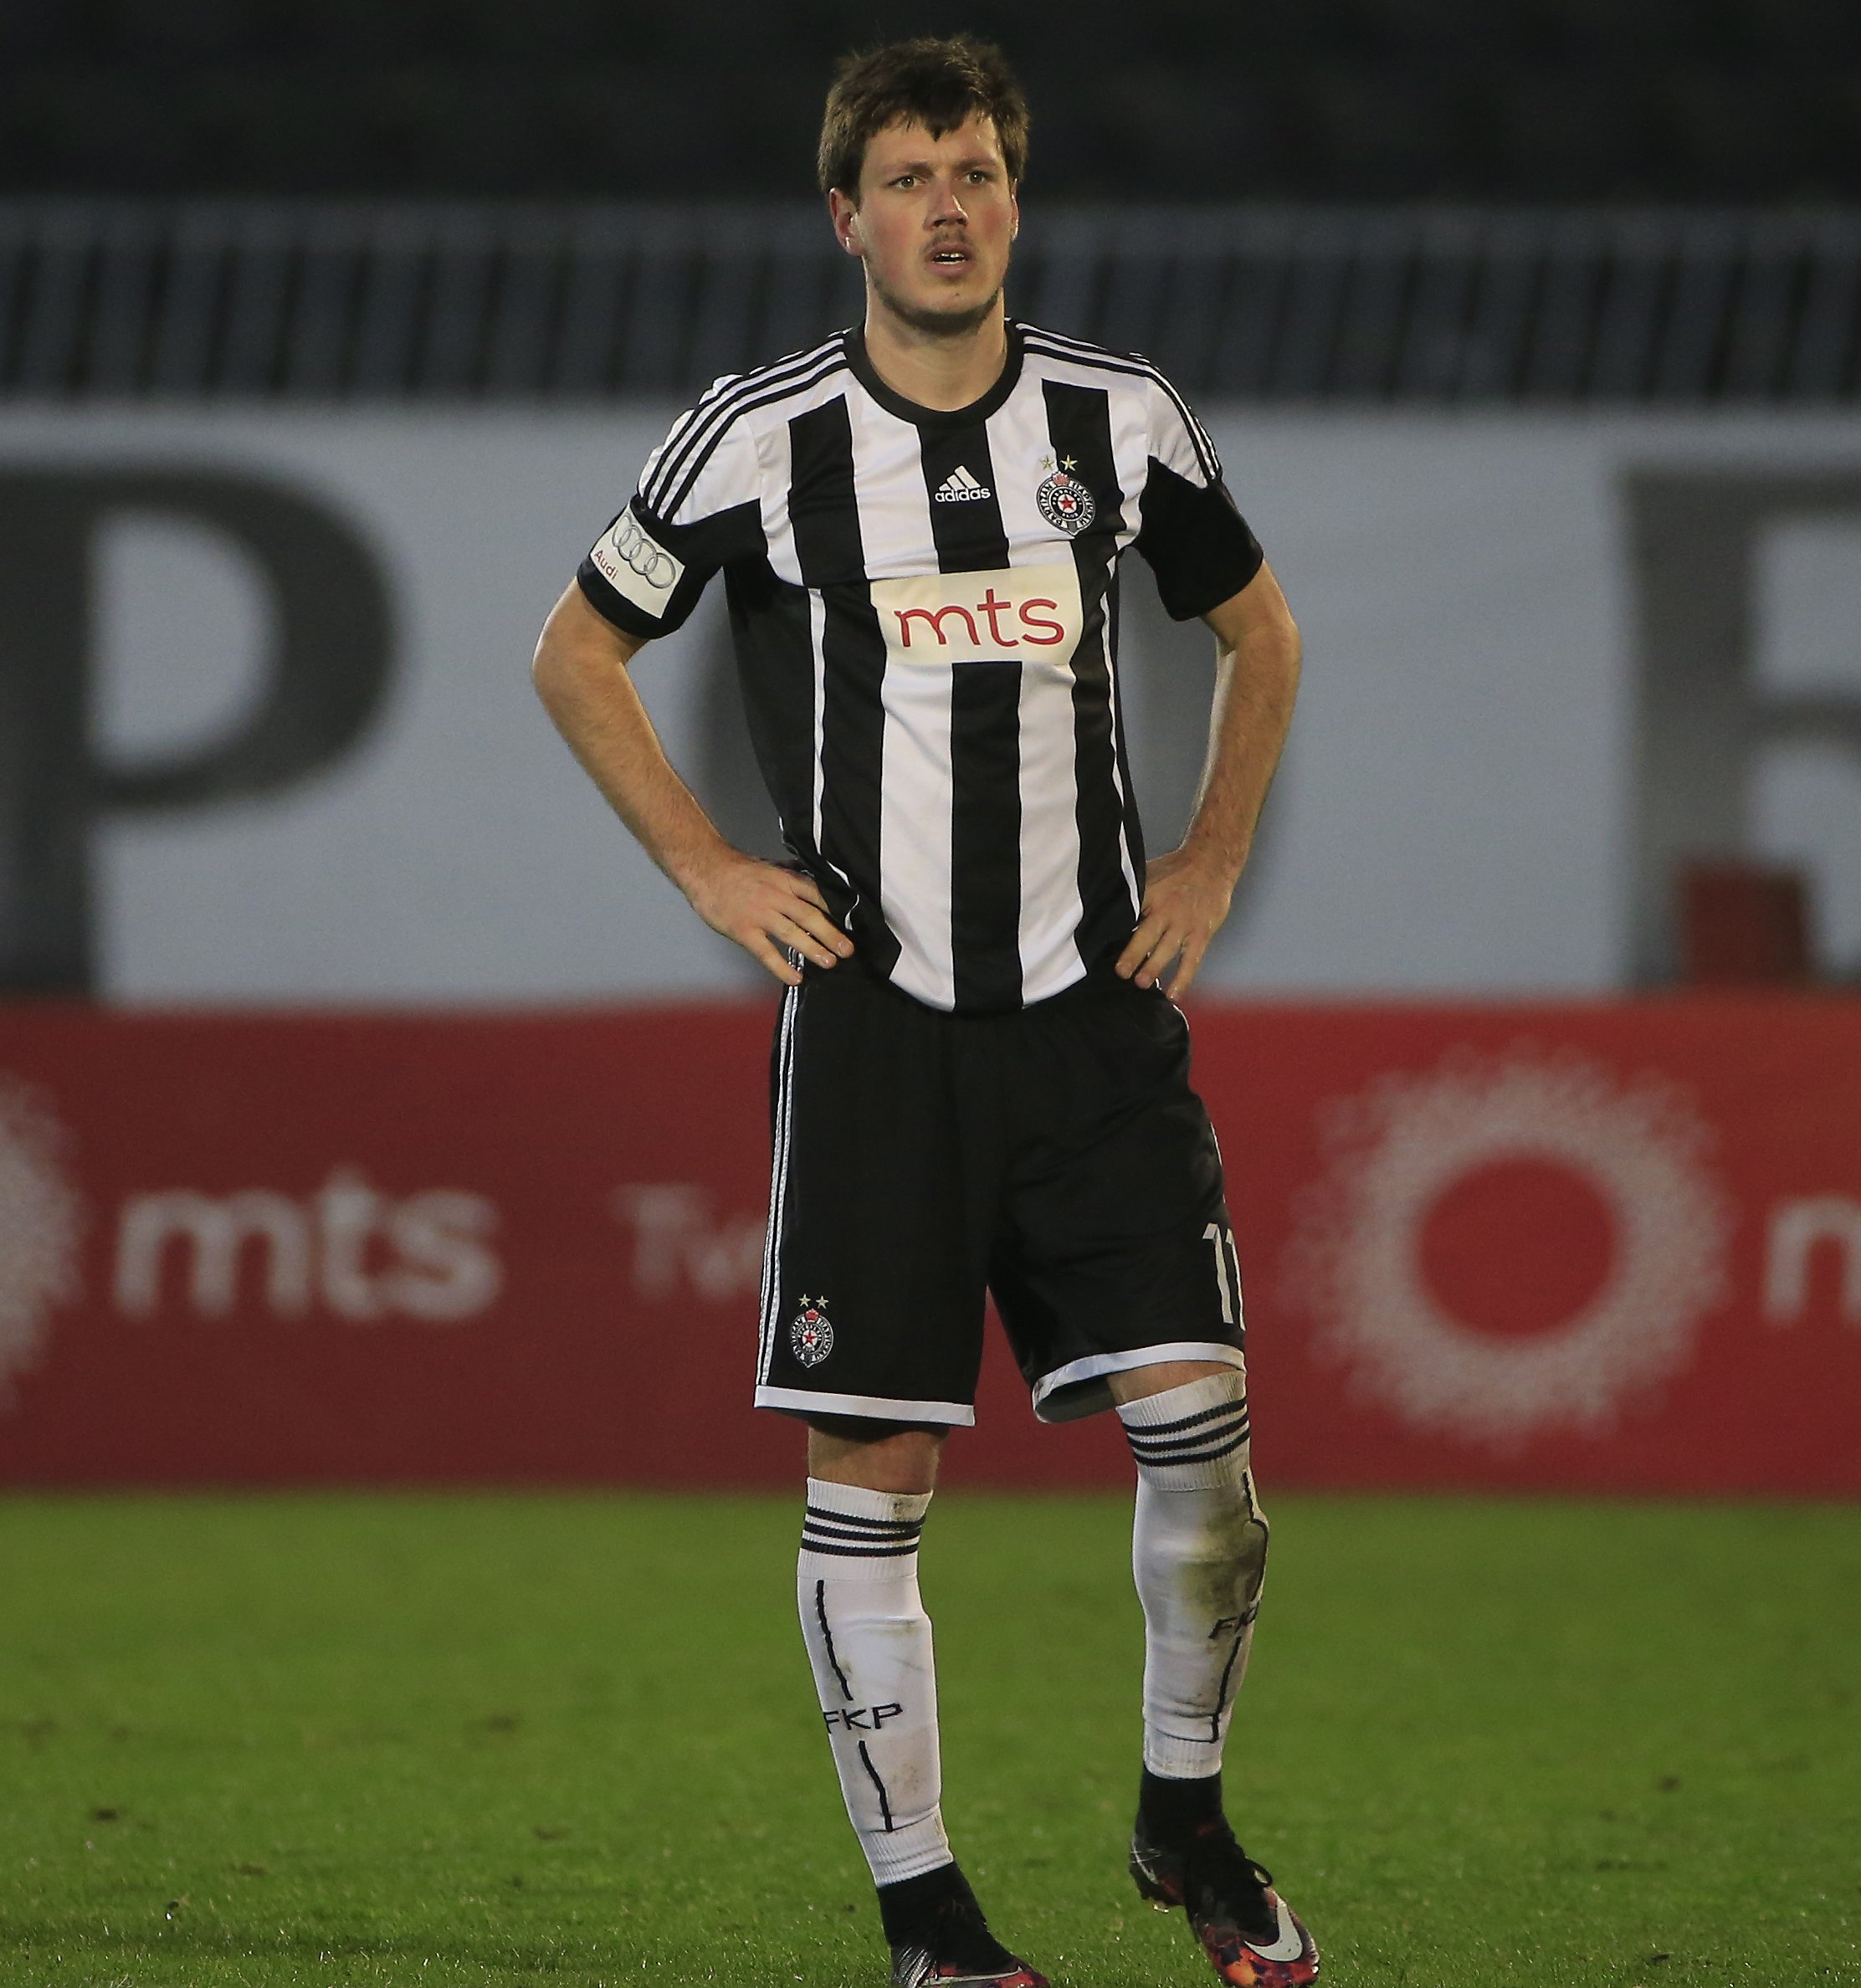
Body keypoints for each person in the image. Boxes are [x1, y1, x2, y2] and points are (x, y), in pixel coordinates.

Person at [531, 35, 1313, 1988]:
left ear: (1013, 199)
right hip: (877, 1030)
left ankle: (1182, 1818)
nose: (946, 208)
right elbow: (575, 653)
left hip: (1091, 1023)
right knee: (875, 1478)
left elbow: (1259, 629)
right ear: (845, 215)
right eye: (907, 178)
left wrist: (1211, 863)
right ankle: (929, 1920)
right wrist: (712, 871)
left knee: (1202, 1433)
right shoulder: (756, 435)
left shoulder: (1117, 419)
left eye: (975, 172)